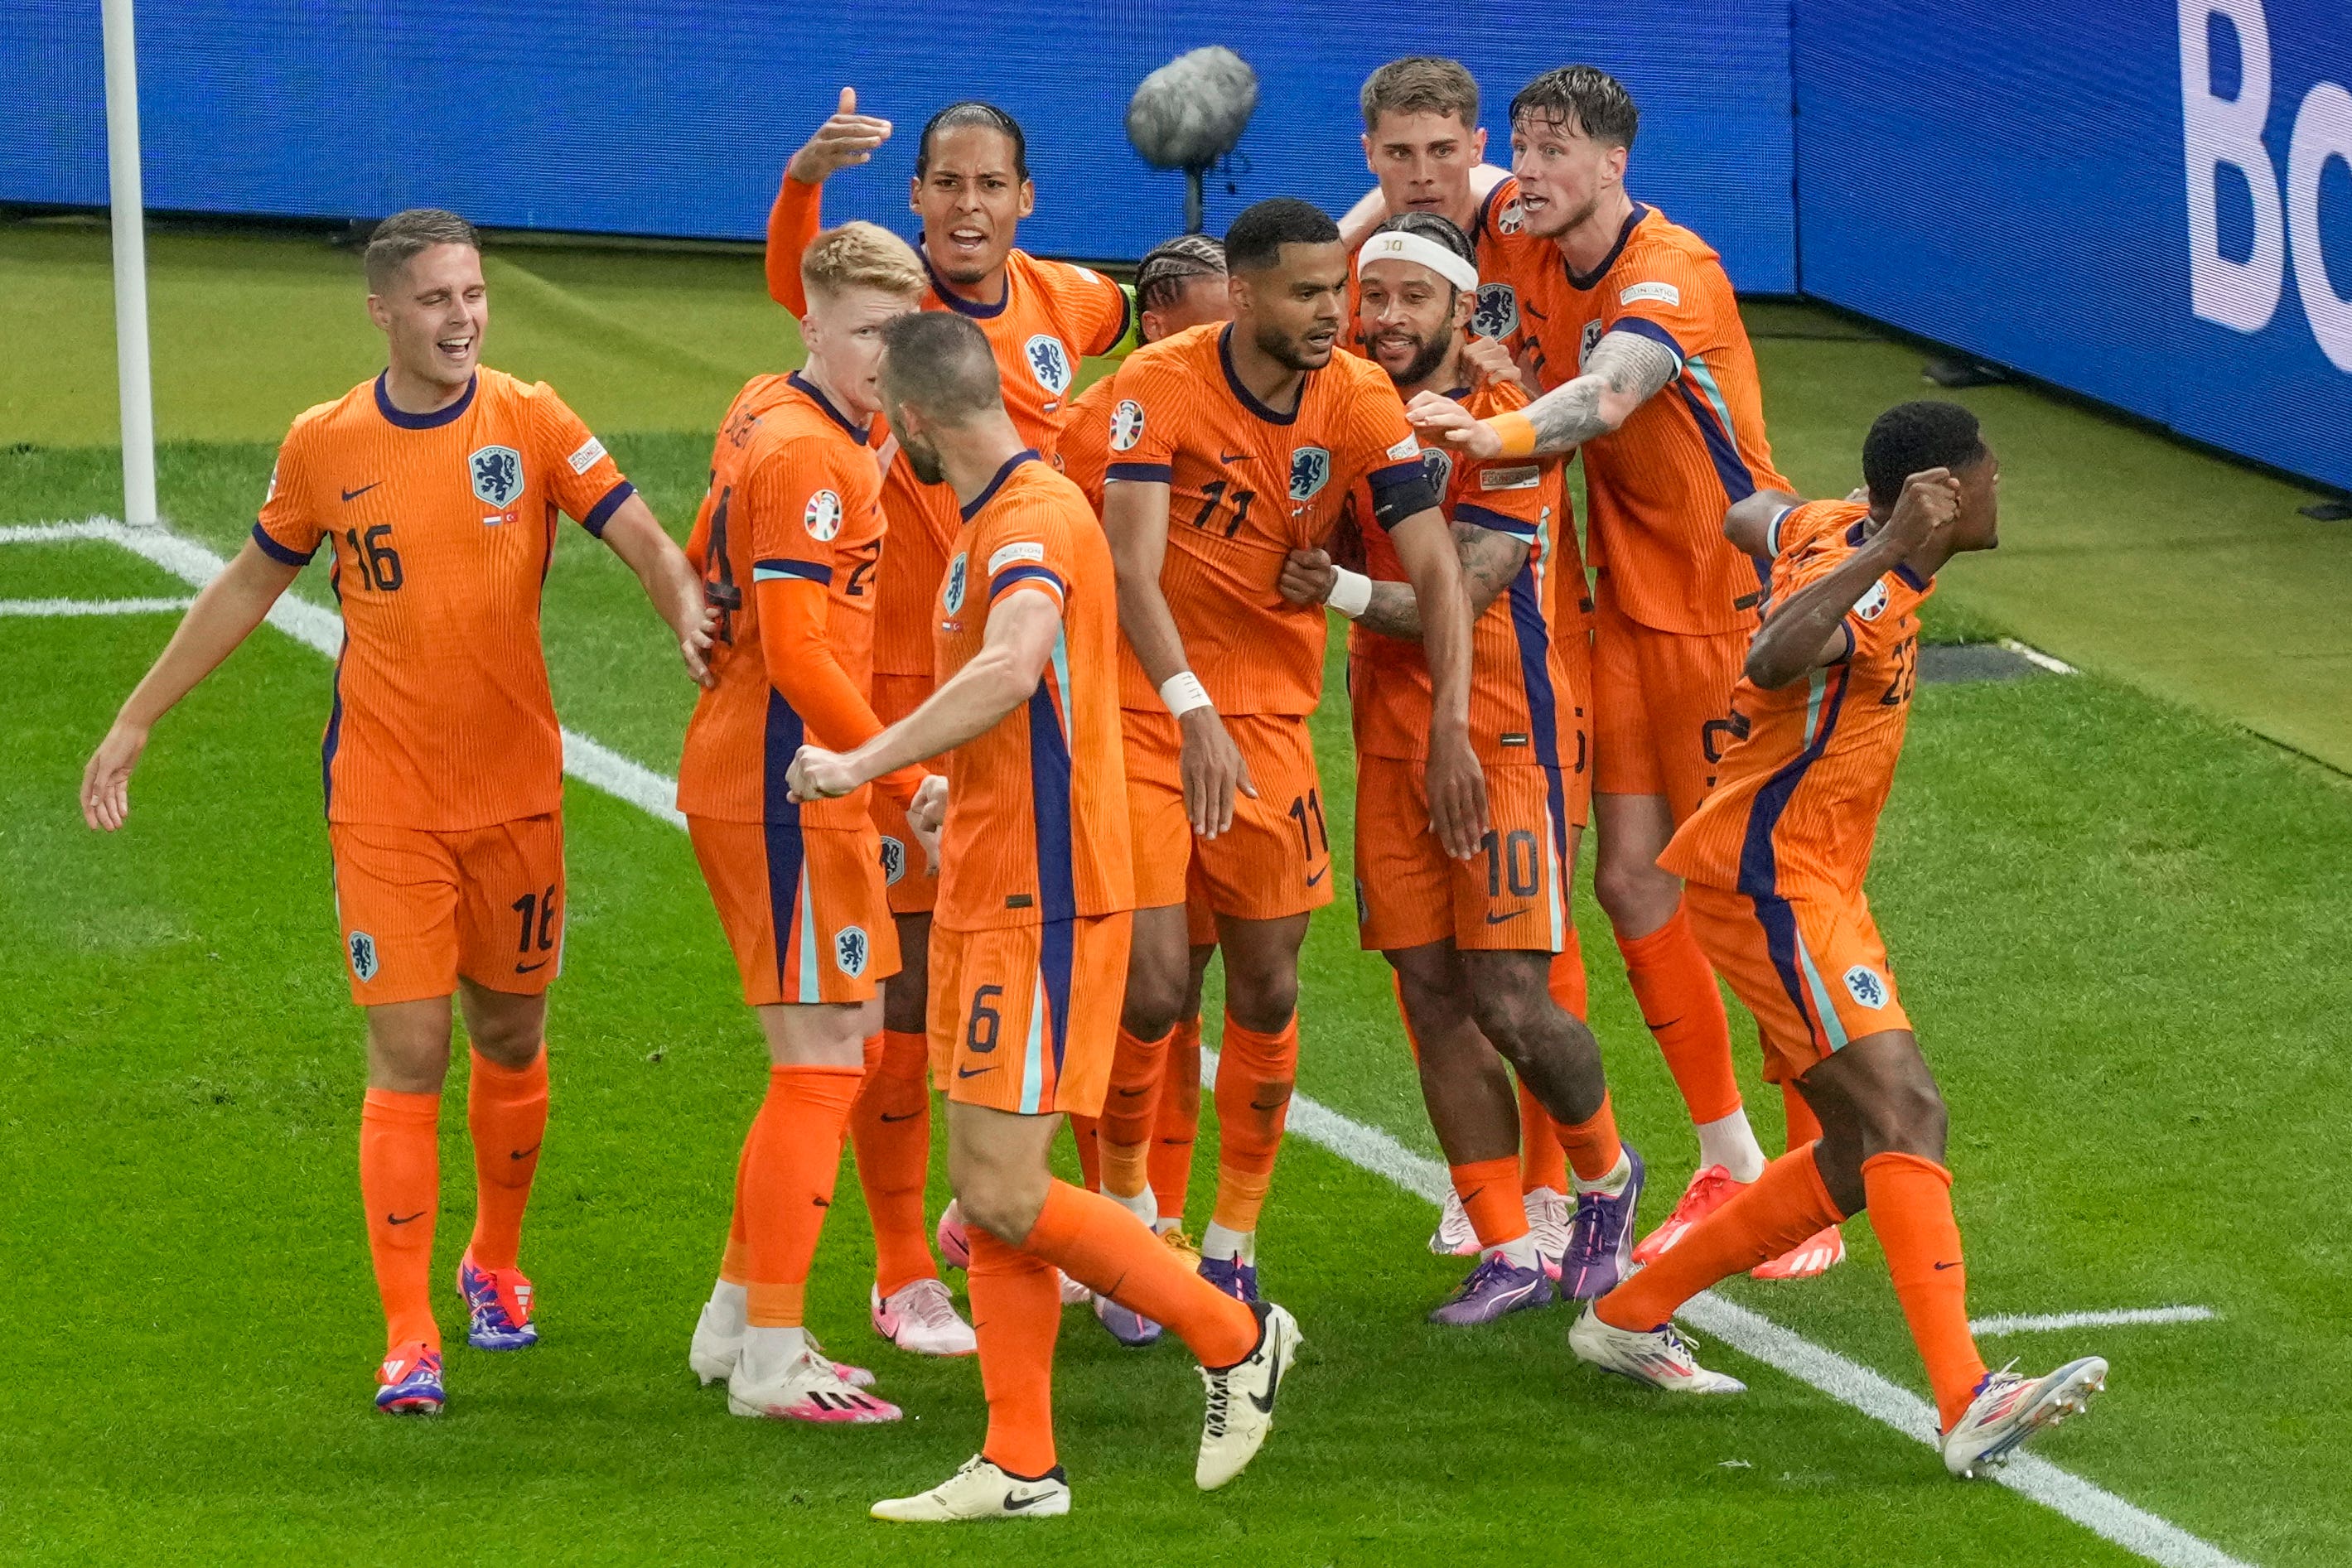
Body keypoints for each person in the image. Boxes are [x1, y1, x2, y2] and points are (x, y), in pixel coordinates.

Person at [78, 209, 712, 1416]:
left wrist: (680, 601)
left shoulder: (530, 418)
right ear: (381, 310)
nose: (463, 317)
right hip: (383, 800)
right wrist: (139, 714)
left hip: (517, 793)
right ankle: (410, 1329)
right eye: (435, 299)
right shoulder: (325, 444)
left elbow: (640, 533)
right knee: (411, 1047)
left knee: (511, 1036)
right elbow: (251, 579)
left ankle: (495, 1262)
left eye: (473, 293)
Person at [789, 311, 1298, 1521]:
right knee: (993, 1184)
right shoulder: (996, 515)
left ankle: (1232, 1334)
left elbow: (1013, 666)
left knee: (1005, 1192)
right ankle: (1021, 1460)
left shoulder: (1026, 520)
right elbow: (1027, 710)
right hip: (989, 883)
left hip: (1042, 901)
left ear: (913, 419)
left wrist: (865, 766)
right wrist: (940, 801)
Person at [1569, 402, 2108, 1478]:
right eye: (1989, 475)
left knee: (1864, 1151)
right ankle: (1967, 1399)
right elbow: (1772, 656)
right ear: (1942, 492)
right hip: (1772, 879)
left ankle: (1628, 1313)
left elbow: (1756, 515)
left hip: (1804, 880)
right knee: (1909, 1110)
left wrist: (1830, 533)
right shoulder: (1874, 582)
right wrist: (1883, 549)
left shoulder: (1832, 529)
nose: (2001, 491)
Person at [1408, 65, 1827, 1276]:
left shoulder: (1669, 274)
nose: (1523, 174)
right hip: (1626, 604)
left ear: (1612, 164)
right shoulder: (1507, 237)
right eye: (1522, 150)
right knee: (1636, 885)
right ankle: (1732, 1159)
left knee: (1756, 883)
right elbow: (1489, 330)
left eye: (1550, 153)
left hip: (1731, 609)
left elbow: (1606, 394)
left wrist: (1492, 431)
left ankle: (1811, 1174)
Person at [767, 89, 1133, 1337]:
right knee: (912, 1000)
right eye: (946, 184)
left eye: (991, 185)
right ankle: (902, 1267)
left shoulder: (1067, 303)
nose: (968, 205)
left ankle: (1085, 1223)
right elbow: (792, 282)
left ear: (1024, 200)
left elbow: (1165, 303)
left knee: (1083, 985)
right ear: (914, 199)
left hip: (1027, 699)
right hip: (900, 694)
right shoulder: (886, 319)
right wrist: (803, 179)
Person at [1100, 197, 1485, 1313]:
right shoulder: (1159, 385)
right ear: (1248, 292)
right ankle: (1129, 1217)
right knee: (1157, 981)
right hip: (1145, 714)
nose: (1336, 313)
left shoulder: (1360, 400)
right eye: (1312, 293)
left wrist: (1452, 719)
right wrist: (1186, 705)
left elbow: (1438, 568)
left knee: (1266, 989)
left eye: (1342, 291)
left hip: (1268, 727)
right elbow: (1130, 565)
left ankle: (1230, 1241)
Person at [1280, 214, 1638, 1316]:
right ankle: (1505, 1248)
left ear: (1457, 309)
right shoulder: (1342, 411)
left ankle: (1606, 1181)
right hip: (1388, 737)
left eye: (1409, 300)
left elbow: (1454, 591)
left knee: (1510, 994)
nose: (1384, 318)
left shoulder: (1504, 426)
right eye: (1368, 297)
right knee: (1432, 996)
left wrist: (1325, 586)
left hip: (1500, 735)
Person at [677, 222, 973, 1425]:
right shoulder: (814, 456)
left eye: (899, 333)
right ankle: (773, 1358)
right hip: (784, 785)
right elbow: (798, 648)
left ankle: (738, 1316)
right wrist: (909, 786)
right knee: (823, 1063)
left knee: (832, 1050)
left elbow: (712, 545)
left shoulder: (783, 413)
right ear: (810, 326)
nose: (881, 356)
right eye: (860, 333)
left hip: (785, 778)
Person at [1050, 233, 1233, 1334]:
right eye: (1211, 325)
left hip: (1233, 727)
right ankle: (1118, 1215)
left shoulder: (1254, 409)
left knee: (1196, 982)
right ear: (1158, 321)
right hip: (1124, 728)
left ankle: (1158, 1216)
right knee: (1139, 983)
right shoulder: (1094, 427)